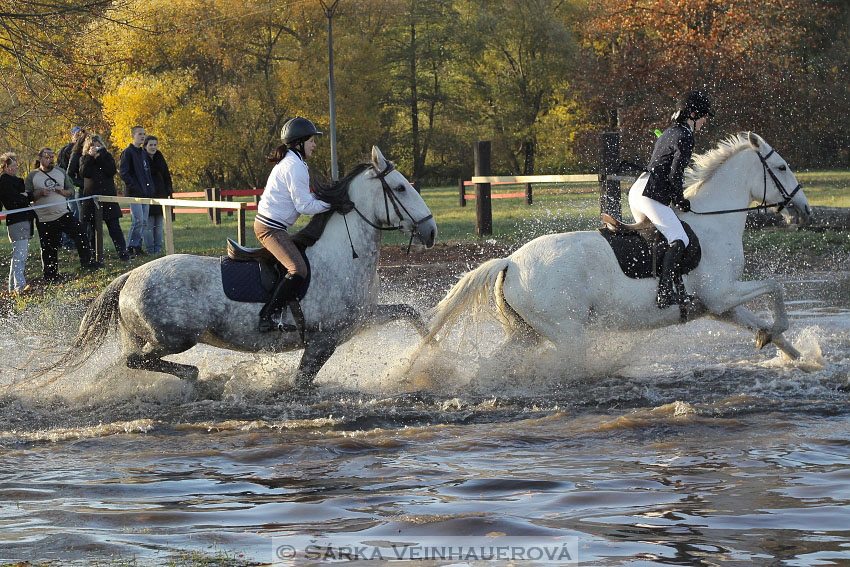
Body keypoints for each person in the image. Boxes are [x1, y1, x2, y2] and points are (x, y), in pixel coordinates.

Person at [628, 89, 714, 309]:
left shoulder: (670, 131)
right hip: (650, 194)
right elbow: (675, 174)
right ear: (693, 114)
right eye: (703, 116)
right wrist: (680, 199)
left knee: (664, 236)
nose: (705, 121)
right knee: (680, 239)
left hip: (638, 189)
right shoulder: (686, 136)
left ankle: (675, 288)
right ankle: (665, 294)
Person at [254, 117, 331, 332]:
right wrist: (331, 204)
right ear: (299, 143)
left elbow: (305, 202)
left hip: (274, 226)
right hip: (270, 229)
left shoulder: (293, 161)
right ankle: (267, 317)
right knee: (298, 269)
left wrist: (326, 202)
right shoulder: (294, 166)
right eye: (312, 141)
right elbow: (304, 205)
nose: (314, 145)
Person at [25, 147, 101, 282]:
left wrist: (63, 192)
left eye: (52, 157)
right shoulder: (32, 176)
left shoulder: (60, 172)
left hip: (62, 214)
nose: (50, 160)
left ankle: (87, 263)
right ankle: (51, 275)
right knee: (49, 248)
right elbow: (27, 196)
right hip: (44, 219)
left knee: (81, 234)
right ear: (40, 159)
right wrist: (39, 193)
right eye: (47, 157)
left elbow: (71, 190)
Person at [78, 134, 130, 262]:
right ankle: (94, 257)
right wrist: (90, 158)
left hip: (108, 197)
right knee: (92, 229)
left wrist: (100, 157)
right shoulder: (84, 159)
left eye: (97, 145)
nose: (95, 148)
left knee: (114, 227)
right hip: (91, 199)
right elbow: (84, 173)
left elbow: (111, 171)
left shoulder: (107, 157)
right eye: (92, 146)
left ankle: (123, 254)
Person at [0, 153, 35, 294]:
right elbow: (14, 199)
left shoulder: (16, 180)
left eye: (16, 166)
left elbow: (27, 196)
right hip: (16, 220)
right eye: (13, 166)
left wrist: (26, 196)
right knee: (20, 255)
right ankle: (19, 286)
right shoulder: (4, 180)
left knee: (20, 254)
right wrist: (24, 197)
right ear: (6, 167)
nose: (16, 168)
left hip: (24, 219)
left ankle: (13, 288)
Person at [119, 125, 154, 257]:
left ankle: (138, 245)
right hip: (134, 193)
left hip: (145, 192)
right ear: (133, 136)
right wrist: (134, 186)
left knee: (144, 221)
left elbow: (147, 173)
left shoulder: (143, 153)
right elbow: (123, 172)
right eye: (140, 134)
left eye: (144, 134)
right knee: (137, 220)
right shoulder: (128, 152)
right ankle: (130, 246)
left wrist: (150, 188)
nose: (143, 136)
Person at [143, 135, 173, 255]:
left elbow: (166, 174)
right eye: (151, 145)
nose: (153, 147)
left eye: (155, 145)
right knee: (149, 225)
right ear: (145, 146)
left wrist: (169, 190)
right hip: (148, 194)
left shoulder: (160, 157)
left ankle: (158, 249)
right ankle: (150, 249)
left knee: (159, 224)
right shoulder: (142, 159)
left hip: (161, 193)